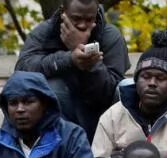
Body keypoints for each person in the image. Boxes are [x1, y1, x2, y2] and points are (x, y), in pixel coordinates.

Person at [15, 0, 129, 140]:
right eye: (76, 18)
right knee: (50, 88)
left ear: (96, 14)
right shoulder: (45, 32)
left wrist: (91, 65)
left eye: (89, 19)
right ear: (64, 12)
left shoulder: (110, 36)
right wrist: (69, 59)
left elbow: (110, 93)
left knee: (126, 87)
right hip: (58, 114)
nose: (82, 25)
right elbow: (22, 71)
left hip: (99, 116)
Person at [91, 31, 167, 158]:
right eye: (146, 76)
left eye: (160, 78)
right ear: (136, 81)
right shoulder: (114, 114)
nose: (152, 83)